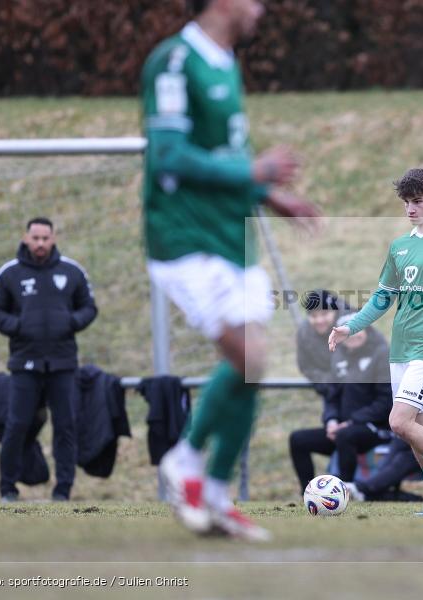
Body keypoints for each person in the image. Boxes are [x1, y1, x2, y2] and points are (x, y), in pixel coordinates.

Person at [141, 0, 320, 541]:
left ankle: (216, 495)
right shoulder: (174, 61)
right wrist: (253, 169)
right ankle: (186, 460)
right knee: (248, 354)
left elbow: (228, 153)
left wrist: (269, 195)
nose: (260, 10)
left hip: (229, 233)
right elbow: (168, 155)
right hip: (184, 236)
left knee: (253, 364)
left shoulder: (225, 61)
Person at [329, 167, 423, 516]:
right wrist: (350, 327)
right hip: (400, 348)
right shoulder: (399, 247)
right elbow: (382, 298)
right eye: (406, 203)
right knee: (413, 429)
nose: (411, 209)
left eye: (418, 201)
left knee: (398, 422)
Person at [0, 217, 98, 502]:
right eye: (35, 238)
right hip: (25, 363)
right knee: (17, 425)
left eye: (45, 238)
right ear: (26, 238)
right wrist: (18, 326)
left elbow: (89, 307)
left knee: (65, 426)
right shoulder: (9, 273)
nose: (40, 244)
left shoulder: (71, 271)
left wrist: (71, 322)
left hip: (63, 364)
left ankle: (63, 490)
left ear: (53, 239)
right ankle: (8, 488)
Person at [289, 312, 392, 493]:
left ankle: (345, 492)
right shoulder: (338, 356)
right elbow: (332, 395)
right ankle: (308, 493)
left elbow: (386, 402)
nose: (353, 336)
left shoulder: (381, 354)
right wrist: (331, 420)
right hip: (342, 429)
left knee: (346, 435)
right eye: (348, 332)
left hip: (374, 429)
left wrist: (352, 422)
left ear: (366, 330)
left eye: (357, 330)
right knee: (298, 440)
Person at [349, 353, 423, 502]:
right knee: (398, 443)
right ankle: (374, 491)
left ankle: (364, 489)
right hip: (419, 425)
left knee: (406, 456)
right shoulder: (418, 362)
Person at [296, 289, 353, 399]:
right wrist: (324, 382)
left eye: (324, 314)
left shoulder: (354, 324)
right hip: (330, 391)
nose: (319, 320)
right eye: (314, 316)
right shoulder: (304, 333)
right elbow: (306, 366)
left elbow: (375, 353)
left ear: (335, 311)